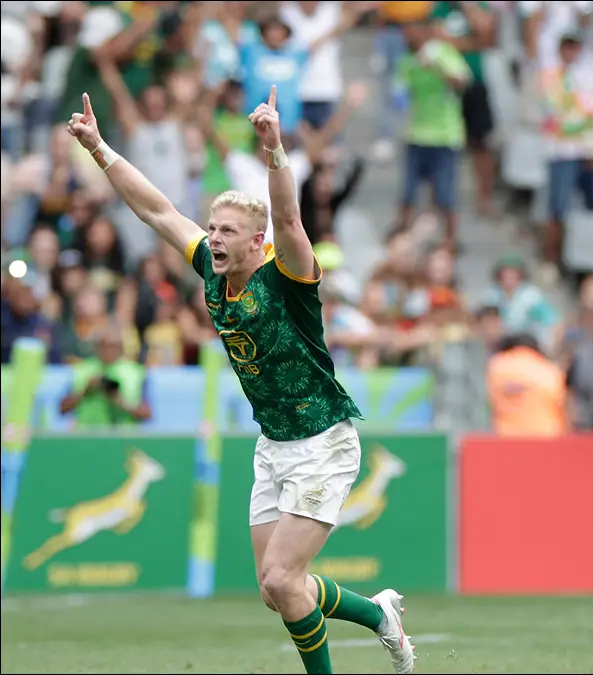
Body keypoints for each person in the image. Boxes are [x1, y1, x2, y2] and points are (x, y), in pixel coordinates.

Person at [66, 88, 414, 675]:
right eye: (212, 228)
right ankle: (378, 613)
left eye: (228, 231)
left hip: (323, 441)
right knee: (276, 590)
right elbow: (157, 211)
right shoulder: (210, 266)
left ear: (258, 241)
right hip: (273, 445)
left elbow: (291, 218)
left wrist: (275, 150)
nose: (215, 238)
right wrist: (100, 149)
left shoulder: (289, 275)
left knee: (282, 577)